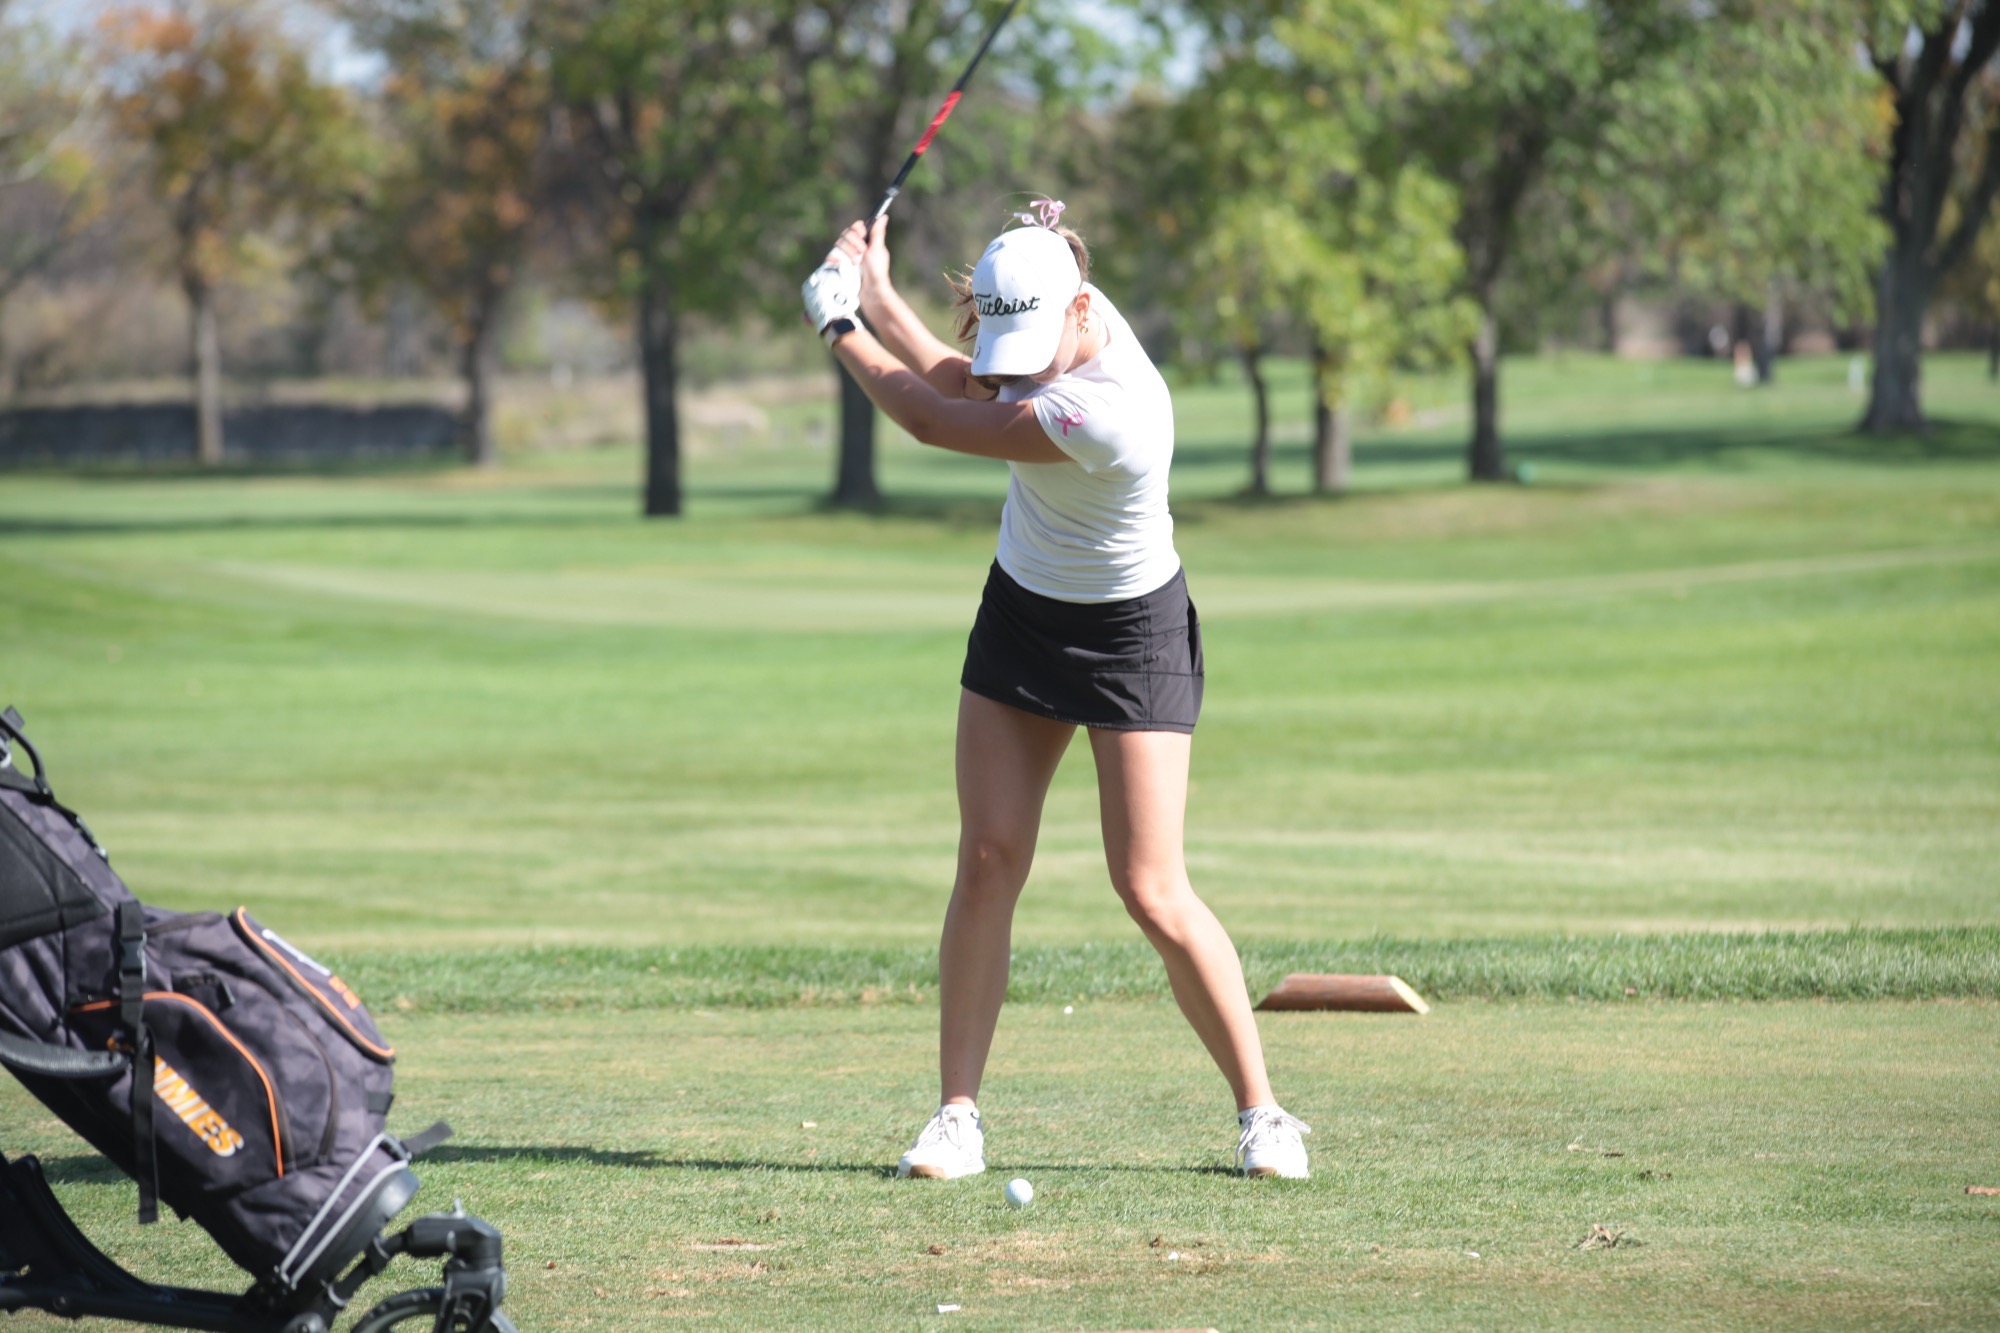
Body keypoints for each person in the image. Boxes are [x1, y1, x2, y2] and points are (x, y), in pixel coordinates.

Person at [801, 200, 1310, 1180]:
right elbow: (960, 376)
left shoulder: (1108, 409)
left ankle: (1264, 1113)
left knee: (1150, 887)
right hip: (1023, 614)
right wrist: (878, 292)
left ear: (1081, 310)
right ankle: (955, 1117)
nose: (1019, 367)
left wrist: (838, 324)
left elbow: (934, 417)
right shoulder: (1058, 308)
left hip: (1131, 632)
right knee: (988, 859)